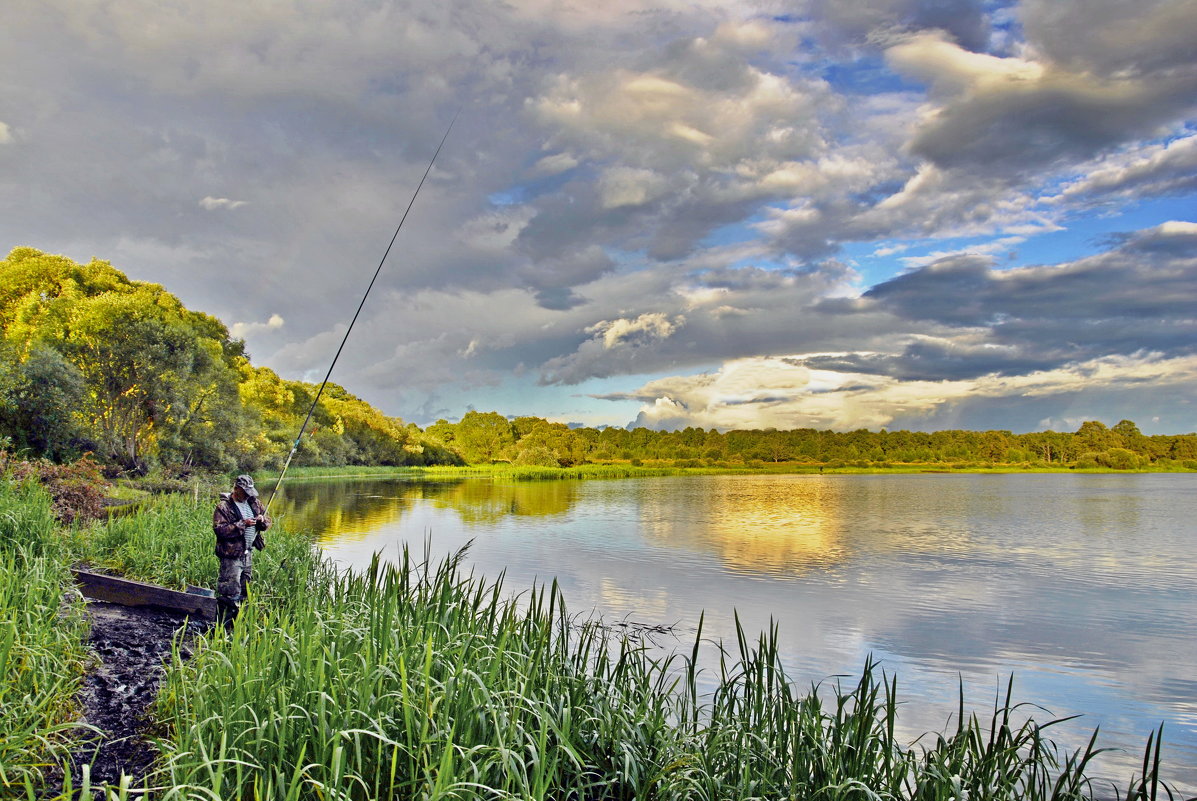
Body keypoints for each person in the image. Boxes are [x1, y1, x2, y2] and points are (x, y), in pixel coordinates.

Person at [212, 474, 270, 621]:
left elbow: (267, 522)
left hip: (248, 553)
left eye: (249, 492)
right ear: (236, 488)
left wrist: (262, 521)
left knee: (245, 588)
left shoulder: (254, 503)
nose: (247, 495)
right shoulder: (224, 507)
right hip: (231, 555)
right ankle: (223, 623)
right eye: (244, 492)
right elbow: (220, 530)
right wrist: (242, 524)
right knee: (230, 589)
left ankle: (238, 621)